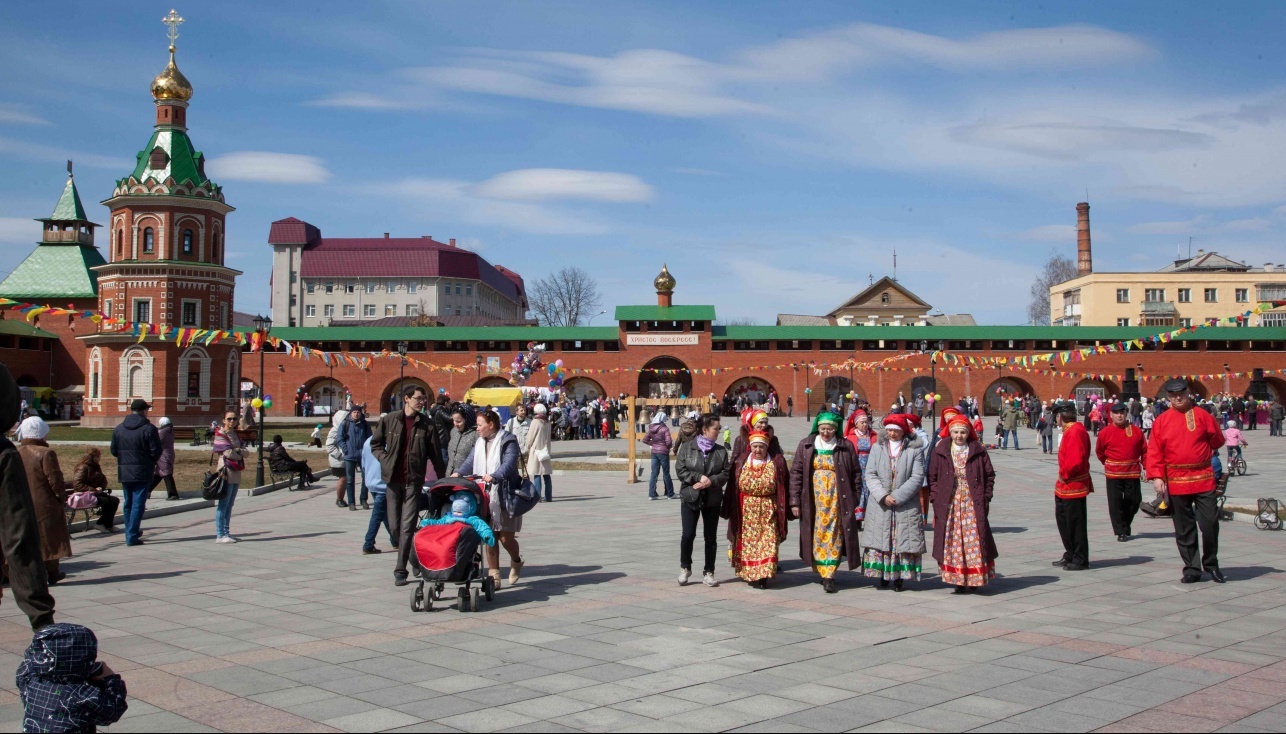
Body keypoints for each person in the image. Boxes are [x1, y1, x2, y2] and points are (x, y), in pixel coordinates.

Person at [1146, 379, 1226, 584]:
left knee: (1209, 523)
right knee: (1183, 527)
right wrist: (1156, 476)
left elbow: (1217, 440)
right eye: (1173, 395)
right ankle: (1192, 567)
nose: (1177, 398)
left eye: (1181, 393)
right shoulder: (1162, 421)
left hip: (1203, 478)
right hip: (1176, 479)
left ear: (1188, 393)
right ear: (1168, 397)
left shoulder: (1203, 416)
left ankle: (1211, 563)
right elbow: (1155, 450)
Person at [371, 385, 444, 587]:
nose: (422, 402)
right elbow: (375, 444)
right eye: (418, 398)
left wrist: (442, 481)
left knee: (407, 526)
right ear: (406, 399)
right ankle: (416, 559)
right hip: (393, 480)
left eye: (424, 399)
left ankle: (400, 570)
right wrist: (384, 459)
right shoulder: (390, 420)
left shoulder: (427, 425)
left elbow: (436, 456)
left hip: (414, 481)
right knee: (395, 527)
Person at [789, 412, 862, 594]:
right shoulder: (806, 445)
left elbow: (856, 473)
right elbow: (796, 473)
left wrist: (855, 498)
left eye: (829, 429)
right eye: (823, 429)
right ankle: (820, 568)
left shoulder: (845, 446)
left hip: (838, 498)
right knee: (817, 532)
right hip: (813, 498)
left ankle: (829, 573)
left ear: (835, 429)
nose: (826, 432)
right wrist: (795, 501)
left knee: (835, 533)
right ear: (817, 428)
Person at [455, 410, 525, 587]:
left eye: (480, 425)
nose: (477, 428)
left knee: (505, 538)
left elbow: (509, 463)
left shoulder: (508, 440)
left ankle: (516, 560)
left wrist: (495, 475)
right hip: (485, 496)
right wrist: (458, 473)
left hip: (505, 495)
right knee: (489, 537)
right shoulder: (479, 442)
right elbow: (470, 462)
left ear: (491, 425)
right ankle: (494, 576)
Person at [928, 414, 997, 593]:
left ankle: (974, 577)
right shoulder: (941, 450)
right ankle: (958, 578)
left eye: (962, 432)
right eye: (956, 432)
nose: (959, 436)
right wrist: (936, 498)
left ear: (968, 433)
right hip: (949, 502)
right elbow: (932, 477)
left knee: (973, 538)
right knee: (953, 539)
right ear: (950, 432)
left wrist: (986, 496)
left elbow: (989, 475)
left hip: (972, 501)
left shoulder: (978, 450)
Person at [17, 623, 127, 733]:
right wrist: (111, 679)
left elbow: (25, 667)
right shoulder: (81, 695)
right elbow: (113, 710)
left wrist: (37, 654)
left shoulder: (30, 682)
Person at [861, 414, 927, 592]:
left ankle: (899, 577)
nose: (892, 433)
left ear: (903, 431)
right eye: (889, 430)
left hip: (904, 503)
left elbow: (917, 476)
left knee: (901, 539)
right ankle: (882, 573)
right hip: (880, 503)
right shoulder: (877, 448)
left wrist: (897, 496)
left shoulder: (914, 450)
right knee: (880, 538)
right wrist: (883, 495)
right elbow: (870, 473)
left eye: (896, 430)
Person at [722, 431, 788, 588]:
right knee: (749, 544)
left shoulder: (775, 462)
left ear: (767, 447)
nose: (758, 450)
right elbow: (736, 484)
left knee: (769, 541)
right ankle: (751, 573)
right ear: (750, 447)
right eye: (755, 446)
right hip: (747, 510)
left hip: (768, 509)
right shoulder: (741, 462)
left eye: (761, 447)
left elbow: (780, 485)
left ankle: (764, 575)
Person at [15, 418, 72, 585]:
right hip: (44, 504)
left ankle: (29, 573)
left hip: (21, 502)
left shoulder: (16, 452)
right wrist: (62, 497)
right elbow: (55, 480)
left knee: (28, 539)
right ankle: (52, 572)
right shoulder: (46, 453)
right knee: (49, 538)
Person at [676, 414, 730, 588]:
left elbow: (725, 473)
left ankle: (709, 572)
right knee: (688, 535)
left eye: (719, 428)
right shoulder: (686, 448)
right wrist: (698, 477)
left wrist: (711, 481)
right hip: (691, 496)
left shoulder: (721, 451)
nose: (719, 431)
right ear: (705, 429)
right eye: (716, 428)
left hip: (712, 498)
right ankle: (685, 567)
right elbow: (681, 470)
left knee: (710, 537)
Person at [109, 399, 162, 547]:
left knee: (129, 503)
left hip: (125, 470)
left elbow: (114, 450)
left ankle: (131, 531)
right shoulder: (149, 428)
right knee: (138, 503)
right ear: (144, 411)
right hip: (143, 470)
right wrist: (149, 461)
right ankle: (132, 535)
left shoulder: (119, 428)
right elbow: (156, 451)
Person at [1096, 403, 1147, 542]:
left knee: (1135, 501)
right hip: (1113, 473)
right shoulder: (1105, 432)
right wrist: (1107, 462)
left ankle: (1125, 523)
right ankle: (1120, 531)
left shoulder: (1136, 431)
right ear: (1111, 415)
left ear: (1126, 414)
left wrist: (1147, 467)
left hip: (1132, 472)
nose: (1119, 415)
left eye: (1122, 413)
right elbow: (1100, 451)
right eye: (1116, 413)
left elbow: (1144, 450)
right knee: (1115, 502)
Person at [1053, 405, 1092, 571]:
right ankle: (1070, 552)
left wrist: (1064, 473)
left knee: (1075, 523)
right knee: (1064, 522)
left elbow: (1075, 460)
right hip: (1064, 485)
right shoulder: (1071, 430)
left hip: (1073, 484)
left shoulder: (1075, 431)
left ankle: (1080, 557)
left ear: (1060, 417)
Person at [210, 412, 248, 543]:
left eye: (235, 419)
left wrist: (238, 451)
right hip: (225, 471)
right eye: (229, 419)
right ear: (224, 420)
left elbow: (246, 452)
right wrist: (239, 452)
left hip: (236, 471)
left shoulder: (235, 434)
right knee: (223, 504)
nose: (232, 421)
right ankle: (220, 535)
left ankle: (227, 532)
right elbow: (228, 453)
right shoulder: (221, 434)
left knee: (230, 504)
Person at [360, 436, 397, 555]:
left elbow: (363, 464)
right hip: (382, 484)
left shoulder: (368, 441)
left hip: (372, 482)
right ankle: (368, 543)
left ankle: (394, 539)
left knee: (384, 513)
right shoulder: (387, 443)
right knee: (377, 515)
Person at [420, 490, 497, 546]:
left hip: (464, 541)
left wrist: (487, 536)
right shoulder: (448, 517)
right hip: (448, 540)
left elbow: (482, 527)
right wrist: (428, 522)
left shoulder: (472, 519)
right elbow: (439, 522)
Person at [69, 449, 120, 533]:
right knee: (106, 501)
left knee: (114, 500)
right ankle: (100, 524)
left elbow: (103, 479)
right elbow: (77, 484)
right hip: (84, 495)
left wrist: (101, 487)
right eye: (99, 456)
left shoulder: (96, 467)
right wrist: (93, 489)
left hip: (94, 494)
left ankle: (108, 525)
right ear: (94, 457)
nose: (100, 458)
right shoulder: (83, 467)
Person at [338, 406, 373, 510]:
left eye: (358, 412)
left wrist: (367, 451)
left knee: (365, 479)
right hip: (350, 455)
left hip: (363, 455)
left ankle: (363, 499)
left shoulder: (365, 424)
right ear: (350, 413)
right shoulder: (345, 423)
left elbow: (370, 438)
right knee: (350, 480)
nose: (356, 414)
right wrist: (346, 449)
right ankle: (351, 502)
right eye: (354, 412)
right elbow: (339, 438)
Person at [642, 411, 674, 500]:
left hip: (654, 452)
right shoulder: (665, 428)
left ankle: (651, 494)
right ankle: (670, 493)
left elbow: (645, 440)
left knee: (654, 473)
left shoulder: (651, 428)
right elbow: (669, 442)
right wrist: (668, 447)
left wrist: (653, 443)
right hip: (663, 453)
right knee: (666, 473)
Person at [524, 404, 554, 502]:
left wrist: (527, 446)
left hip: (536, 450)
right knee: (546, 474)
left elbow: (530, 437)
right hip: (545, 450)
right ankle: (548, 496)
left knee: (537, 473)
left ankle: (537, 496)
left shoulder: (535, 422)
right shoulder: (547, 421)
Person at [148, 416, 178, 501]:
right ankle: (147, 490)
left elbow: (156, 442)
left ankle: (173, 494)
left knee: (167, 474)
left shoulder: (162, 432)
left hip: (163, 455)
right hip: (169, 454)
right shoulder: (170, 431)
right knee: (158, 474)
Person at [446, 405, 479, 477]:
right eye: (454, 420)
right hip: (450, 476)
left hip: (466, 478)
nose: (455, 424)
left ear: (467, 420)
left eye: (458, 421)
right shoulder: (454, 431)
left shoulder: (476, 434)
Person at [324, 410, 348, 508]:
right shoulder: (335, 430)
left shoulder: (345, 429)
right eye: (345, 419)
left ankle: (344, 498)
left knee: (346, 479)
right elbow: (329, 446)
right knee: (343, 478)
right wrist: (340, 455)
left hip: (345, 459)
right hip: (338, 460)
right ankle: (339, 499)